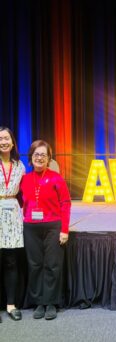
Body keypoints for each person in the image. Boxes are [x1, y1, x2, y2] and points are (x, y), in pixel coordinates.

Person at [20, 140, 71, 320]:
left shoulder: (56, 178)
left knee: (52, 264)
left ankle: (51, 303)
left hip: (52, 226)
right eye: (36, 154)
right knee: (35, 265)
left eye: (43, 154)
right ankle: (39, 302)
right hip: (30, 227)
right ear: (31, 157)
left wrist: (64, 229)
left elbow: (65, 203)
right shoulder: (25, 179)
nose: (39, 158)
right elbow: (20, 201)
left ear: (49, 158)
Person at [0, 127, 25, 322]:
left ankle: (11, 305)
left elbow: (24, 192)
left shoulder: (20, 166)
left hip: (13, 215)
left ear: (13, 141)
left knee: (11, 261)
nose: (3, 142)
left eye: (6, 138)